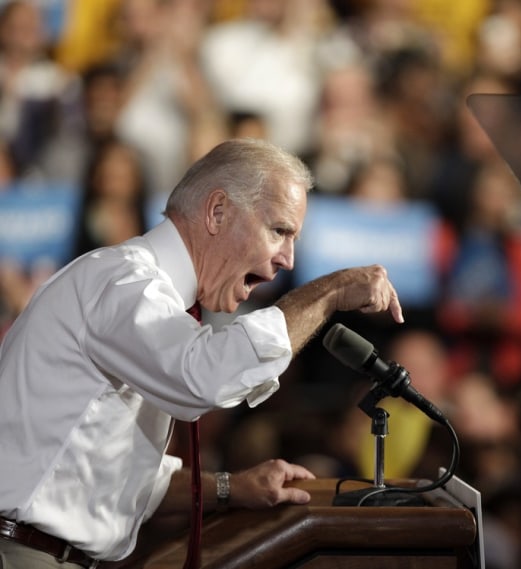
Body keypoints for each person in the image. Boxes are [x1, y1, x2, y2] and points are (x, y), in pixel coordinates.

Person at [0, 137, 404, 567]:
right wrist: (330, 291)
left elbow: (114, 475)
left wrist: (231, 488)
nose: (288, 258)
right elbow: (201, 376)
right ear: (217, 212)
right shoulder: (121, 281)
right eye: (280, 231)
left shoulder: (147, 295)